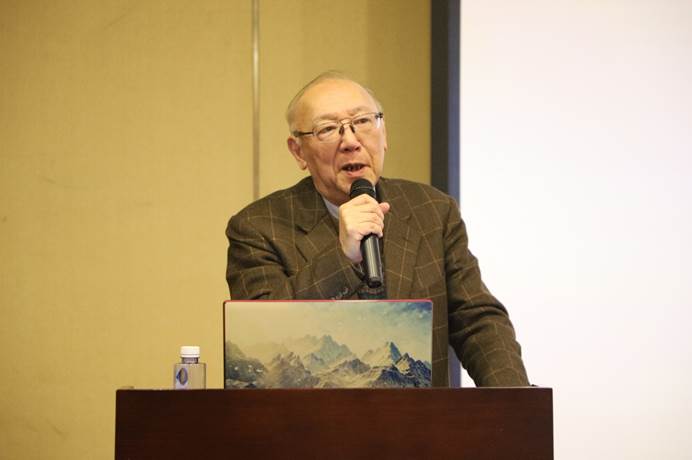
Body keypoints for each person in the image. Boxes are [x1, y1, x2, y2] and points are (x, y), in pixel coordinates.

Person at [226, 72, 529, 387]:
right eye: (327, 129)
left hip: (422, 417)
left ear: (384, 135)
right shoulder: (258, 227)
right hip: (309, 417)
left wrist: (515, 400)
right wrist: (342, 258)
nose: (350, 141)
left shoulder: (432, 210)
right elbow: (261, 337)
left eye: (363, 121)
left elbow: (476, 320)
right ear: (299, 152)